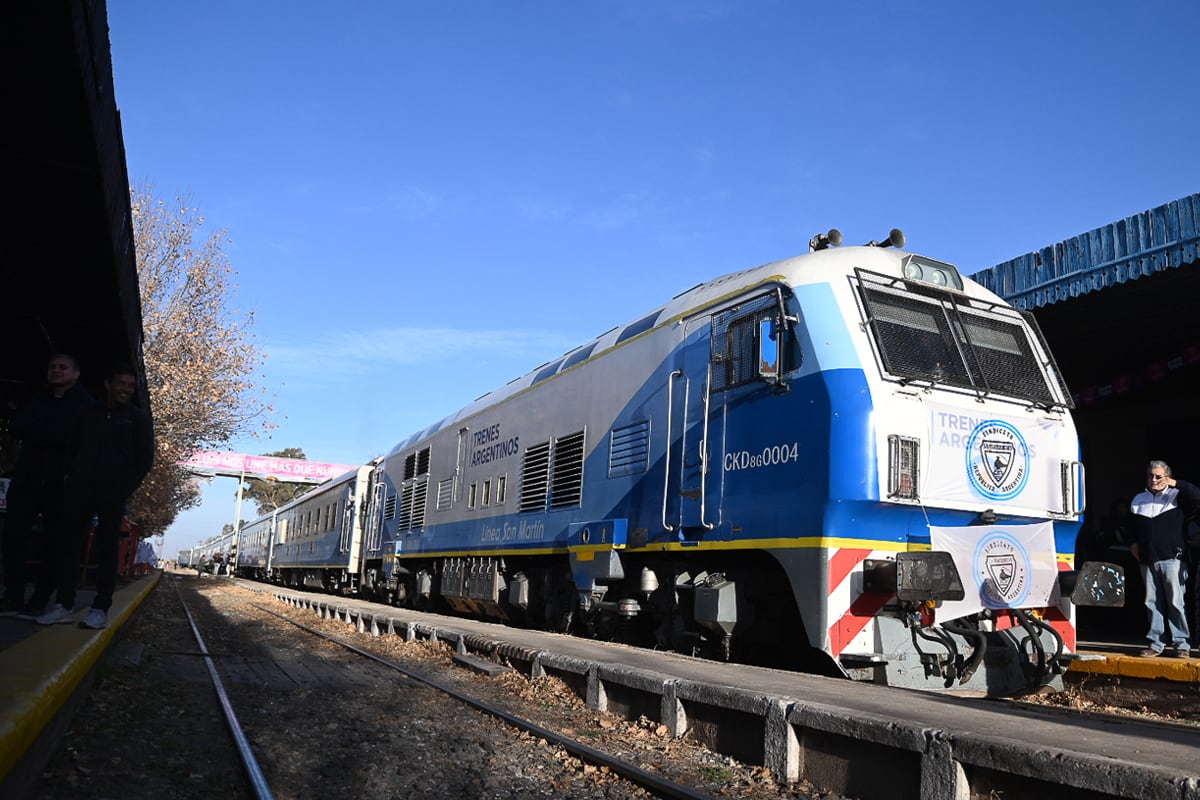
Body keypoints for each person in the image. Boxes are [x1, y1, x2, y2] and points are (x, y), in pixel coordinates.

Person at [33, 363, 153, 630]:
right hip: (79, 487)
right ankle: (64, 604)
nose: (126, 390)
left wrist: (124, 488)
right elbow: (70, 447)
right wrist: (71, 475)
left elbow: (145, 460)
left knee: (107, 547)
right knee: (68, 545)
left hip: (113, 492)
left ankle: (100, 608)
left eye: (131, 386)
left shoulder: (138, 419)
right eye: (121, 384)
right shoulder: (86, 413)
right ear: (108, 385)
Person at [0, 354, 92, 616]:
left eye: (63, 367)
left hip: (61, 481)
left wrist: (43, 432)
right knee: (13, 536)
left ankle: (40, 598)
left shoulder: (85, 404)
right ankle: (13, 595)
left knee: (54, 542)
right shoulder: (39, 398)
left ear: (75, 373)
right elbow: (18, 426)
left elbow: (75, 438)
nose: (56, 371)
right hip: (28, 476)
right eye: (52, 367)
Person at [1129, 460, 1199, 658]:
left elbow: (1197, 497)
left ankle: (1181, 644)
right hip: (1147, 560)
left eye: (1158, 476)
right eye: (1151, 475)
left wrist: (1176, 483)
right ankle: (1155, 643)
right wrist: (1133, 543)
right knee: (1151, 603)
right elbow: (1132, 527)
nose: (1154, 479)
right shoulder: (1138, 499)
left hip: (1172, 558)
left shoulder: (1178, 496)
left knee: (1176, 602)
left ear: (1167, 476)